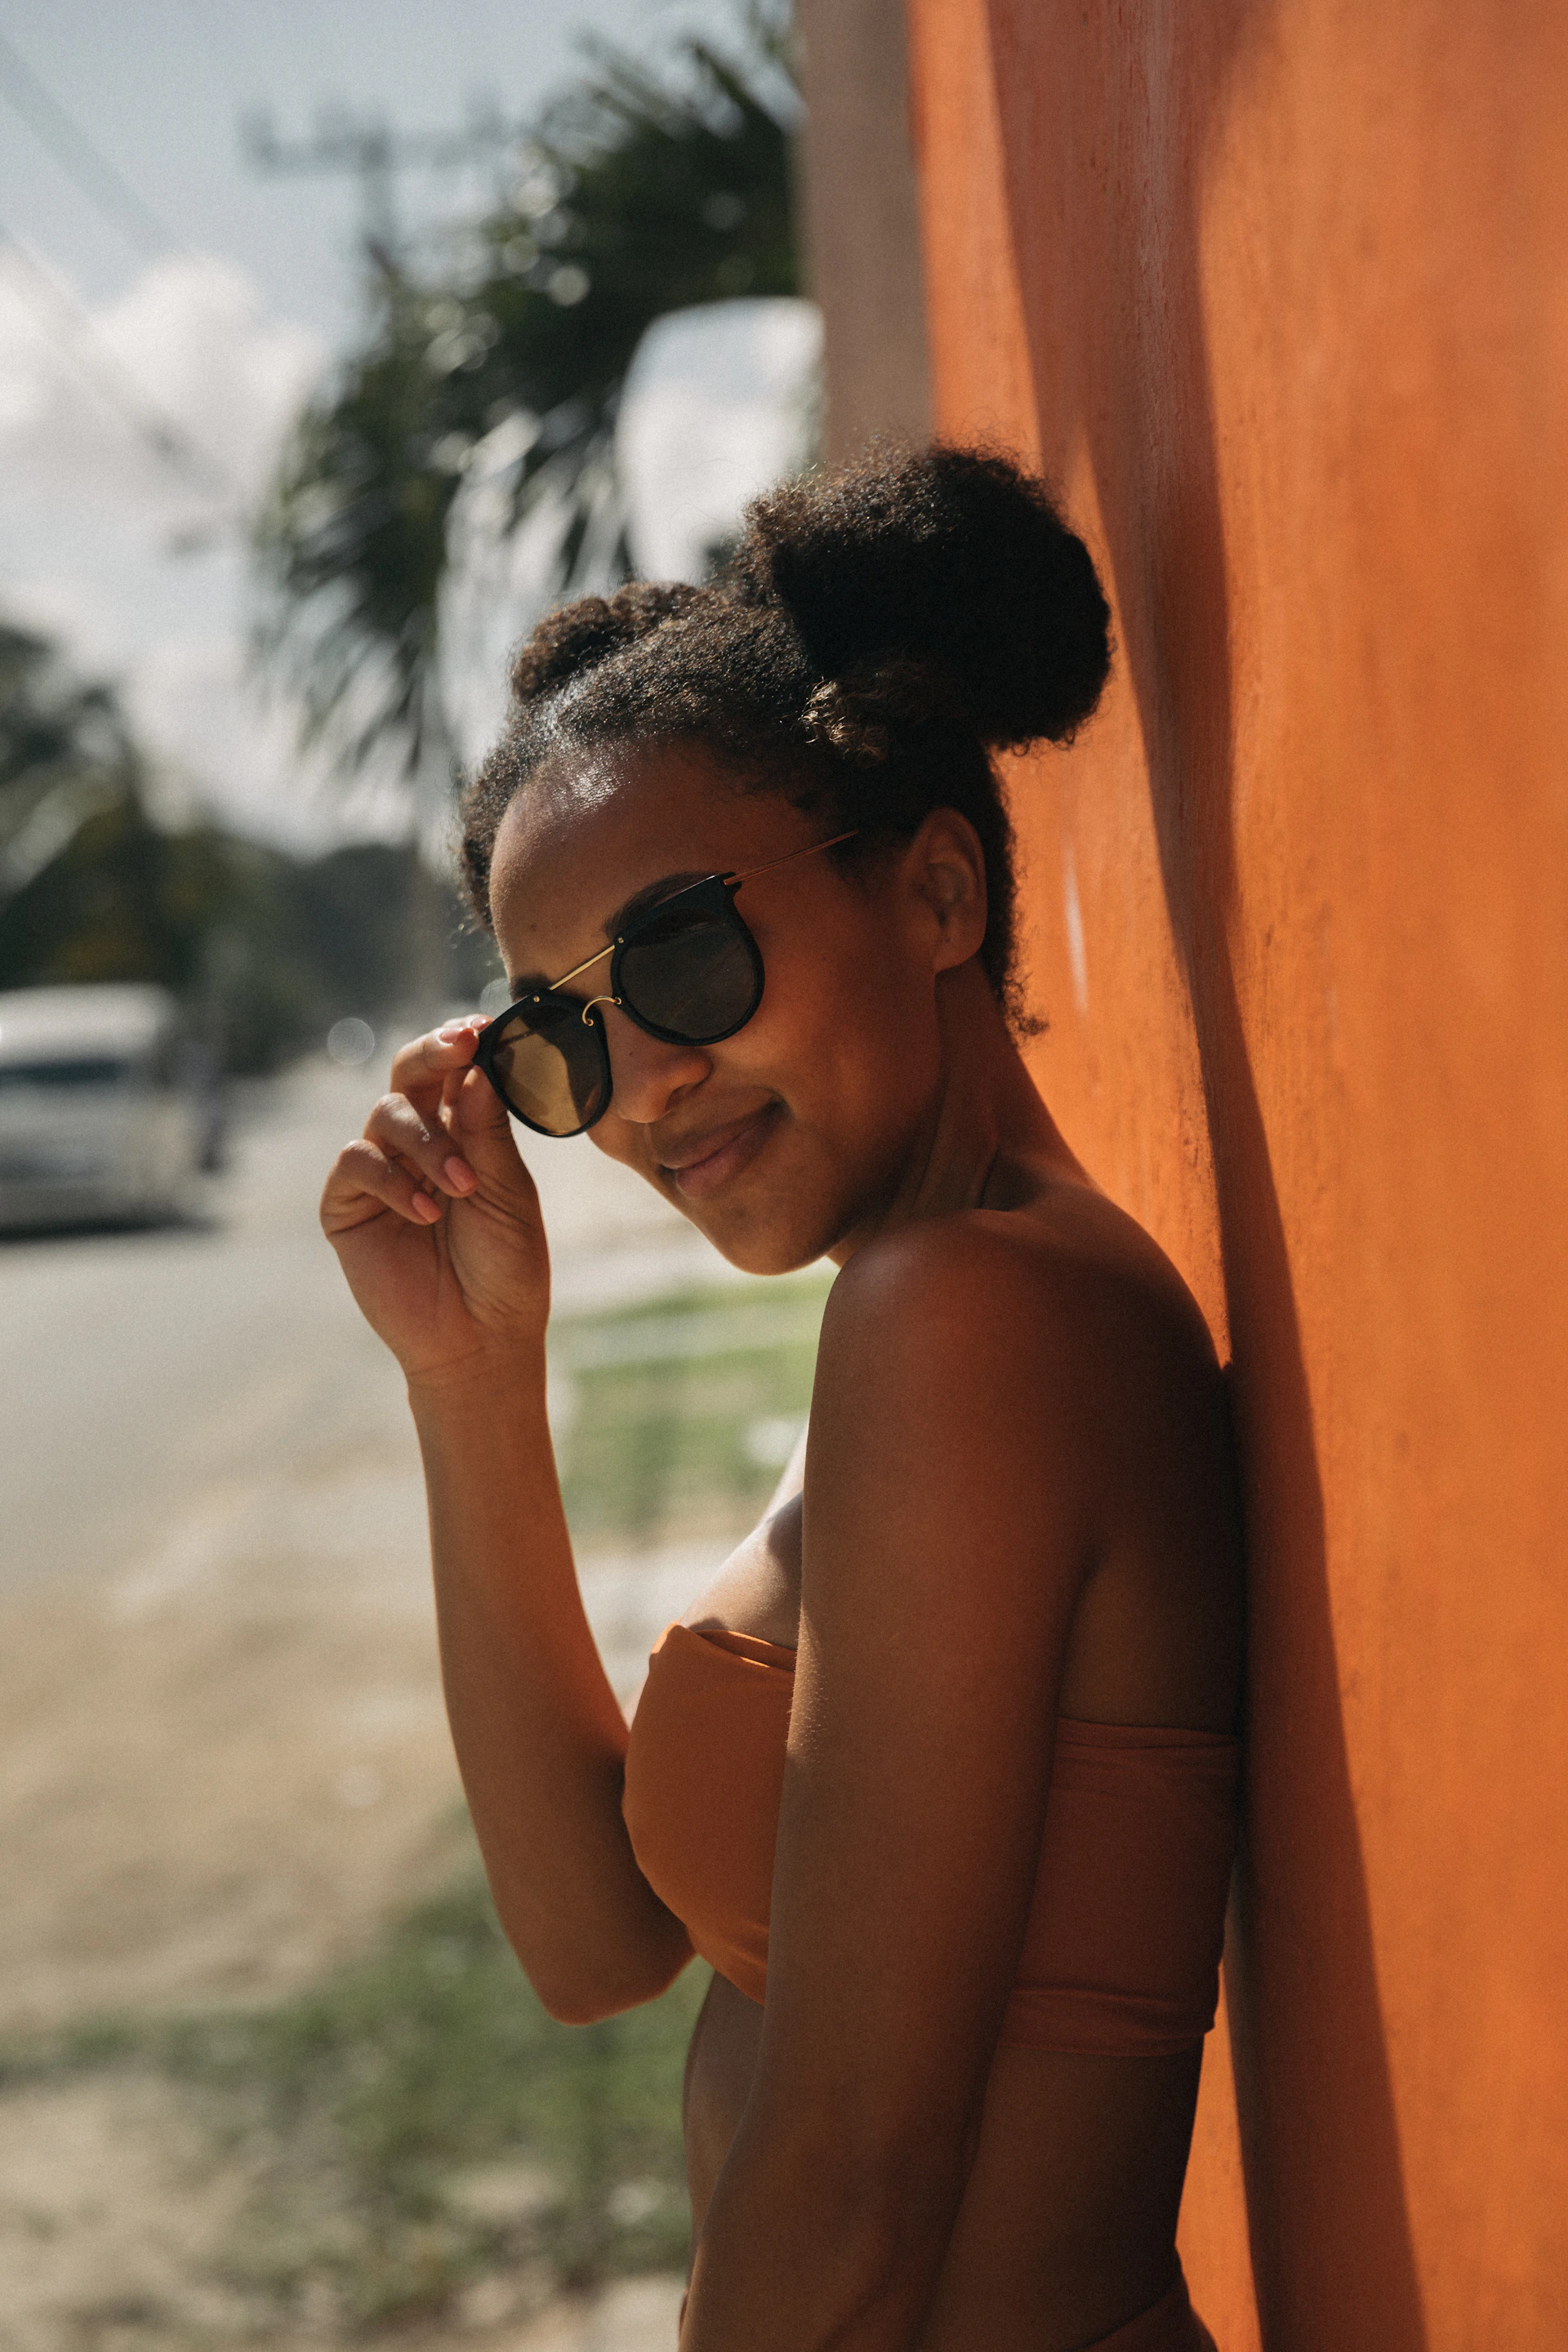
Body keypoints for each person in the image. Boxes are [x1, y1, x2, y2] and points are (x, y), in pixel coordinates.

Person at [320, 445, 1245, 2352]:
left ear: (931, 886)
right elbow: (595, 1950)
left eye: (682, 952)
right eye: (561, 1035)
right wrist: (472, 1379)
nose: (641, 1079)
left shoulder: (967, 1317)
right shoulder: (946, 1311)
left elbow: (849, 2191)